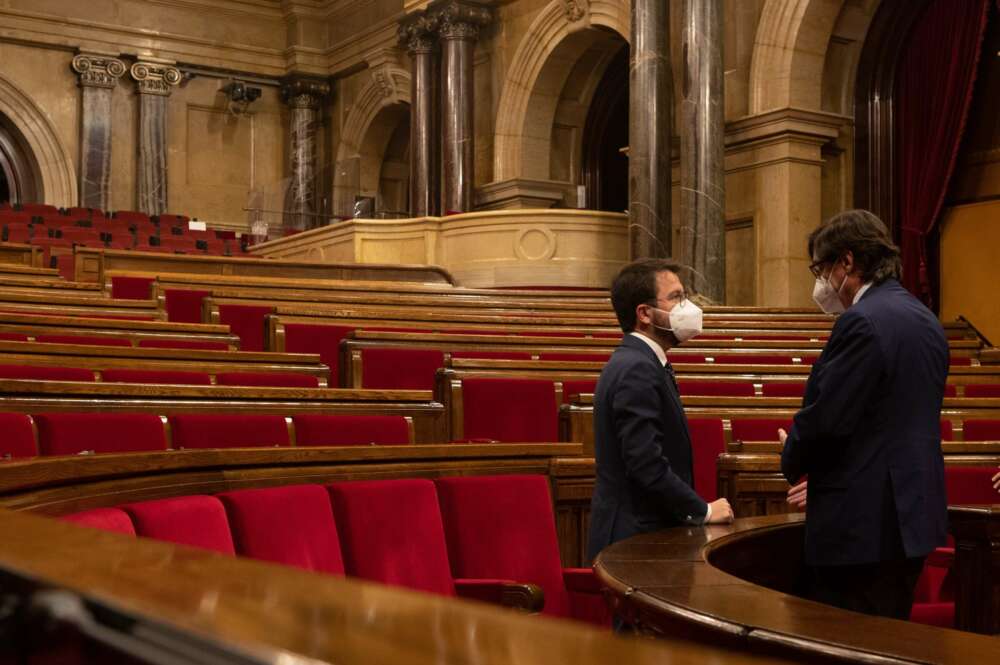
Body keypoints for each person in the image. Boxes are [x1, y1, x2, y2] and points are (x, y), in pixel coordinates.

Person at [779, 209, 949, 619]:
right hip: (911, 517)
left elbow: (829, 419)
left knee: (847, 642)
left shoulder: (861, 321)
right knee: (891, 641)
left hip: (861, 526)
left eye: (821, 268)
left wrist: (794, 456)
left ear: (847, 262)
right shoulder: (926, 319)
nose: (820, 282)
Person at [587, 259, 734, 568]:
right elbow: (645, 463)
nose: (687, 307)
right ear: (644, 314)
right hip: (636, 541)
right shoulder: (637, 368)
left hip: (643, 535)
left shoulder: (643, 362)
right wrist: (703, 511)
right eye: (677, 297)